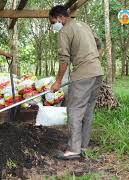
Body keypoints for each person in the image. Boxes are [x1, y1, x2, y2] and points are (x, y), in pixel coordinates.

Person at [48, 6, 103, 160]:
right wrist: (95, 60)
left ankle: (74, 150)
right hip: (97, 72)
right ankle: (82, 145)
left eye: (53, 22)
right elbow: (99, 44)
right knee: (87, 111)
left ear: (59, 18)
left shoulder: (64, 31)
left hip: (83, 75)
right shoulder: (83, 25)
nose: (54, 25)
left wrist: (58, 82)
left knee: (74, 111)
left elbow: (64, 58)